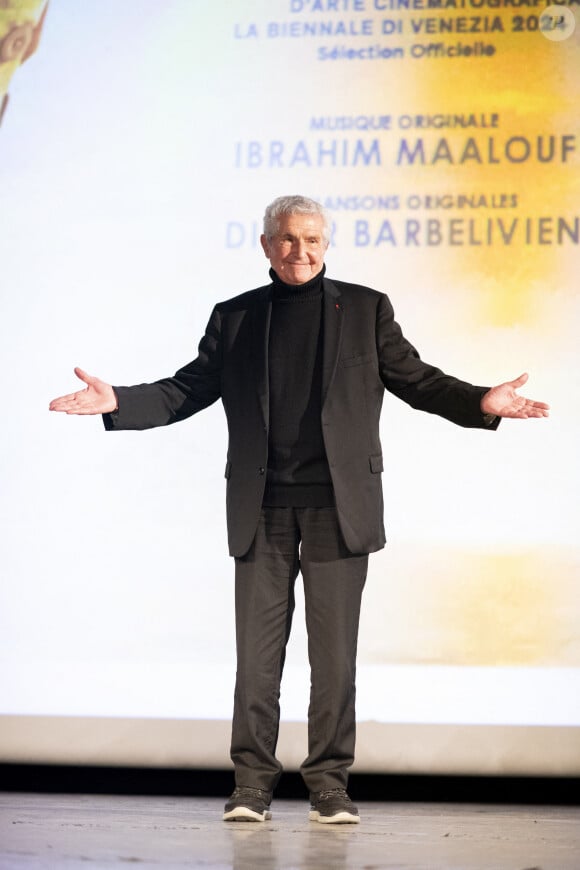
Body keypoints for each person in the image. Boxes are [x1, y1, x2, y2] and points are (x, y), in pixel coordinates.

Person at [49, 194, 549, 824]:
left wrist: (482, 400)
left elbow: (419, 381)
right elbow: (186, 390)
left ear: (326, 244)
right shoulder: (235, 317)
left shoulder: (366, 309)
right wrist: (117, 400)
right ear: (266, 245)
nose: (300, 251)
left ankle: (329, 787)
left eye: (312, 240)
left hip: (340, 509)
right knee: (256, 659)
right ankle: (252, 785)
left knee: (334, 657)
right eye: (287, 239)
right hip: (261, 509)